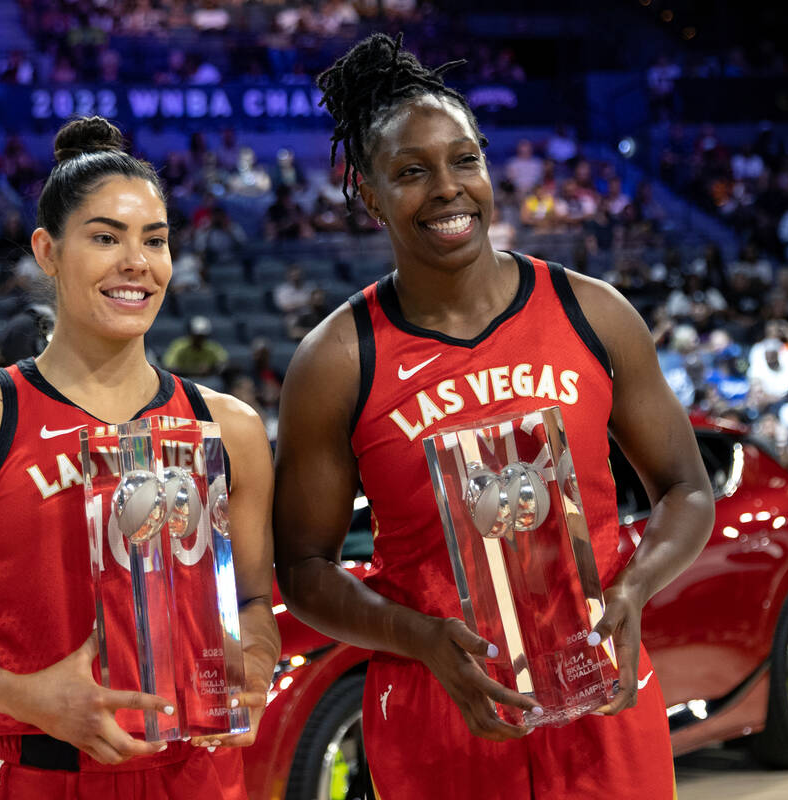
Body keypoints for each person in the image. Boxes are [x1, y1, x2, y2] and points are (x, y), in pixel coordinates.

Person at [273, 35, 714, 800]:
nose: (448, 188)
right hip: (437, 704)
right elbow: (304, 570)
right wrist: (420, 638)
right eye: (412, 172)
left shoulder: (593, 312)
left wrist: (635, 587)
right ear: (370, 194)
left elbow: (688, 490)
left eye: (464, 160)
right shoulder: (337, 360)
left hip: (601, 689)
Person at [0, 116, 280, 799]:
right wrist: (30, 696)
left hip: (201, 777)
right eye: (105, 238)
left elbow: (256, 599)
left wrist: (257, 661)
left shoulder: (227, 426)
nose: (135, 263)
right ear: (47, 251)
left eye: (155, 240)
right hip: (40, 774)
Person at [161, 314, 229, 377]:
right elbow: (168, 367)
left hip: (206, 381)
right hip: (183, 379)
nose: (199, 340)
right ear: (190, 334)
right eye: (196, 336)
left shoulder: (212, 348)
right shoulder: (179, 346)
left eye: (202, 337)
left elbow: (224, 364)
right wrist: (194, 370)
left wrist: (211, 368)